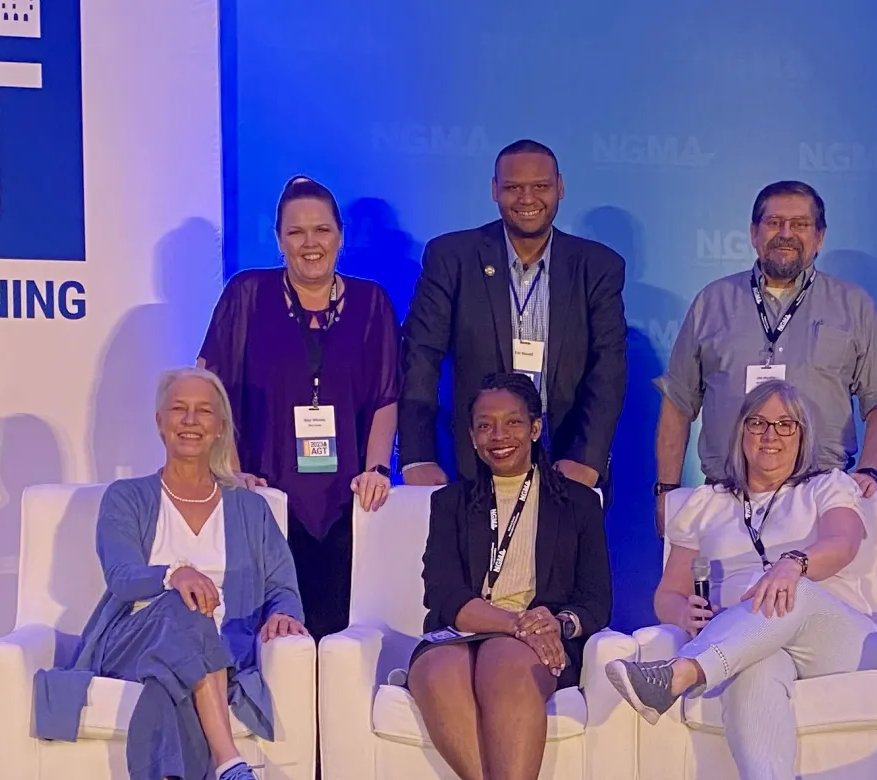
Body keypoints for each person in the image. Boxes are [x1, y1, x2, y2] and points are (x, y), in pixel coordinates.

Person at [33, 368, 310, 780]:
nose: (190, 421)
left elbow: (282, 585)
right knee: (186, 608)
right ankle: (230, 761)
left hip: (217, 651)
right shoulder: (127, 497)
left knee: (165, 687)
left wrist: (283, 612)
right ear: (160, 422)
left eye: (203, 411)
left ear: (219, 427)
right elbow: (122, 577)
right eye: (178, 409)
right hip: (131, 641)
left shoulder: (250, 508)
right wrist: (174, 574)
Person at [607, 379, 877, 780]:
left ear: (802, 435)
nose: (770, 435)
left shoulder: (825, 486)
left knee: (791, 589)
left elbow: (844, 542)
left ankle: (681, 673)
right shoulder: (706, 503)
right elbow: (668, 593)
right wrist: (684, 613)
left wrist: (793, 564)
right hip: (752, 643)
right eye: (758, 423)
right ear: (741, 432)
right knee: (755, 669)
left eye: (785, 424)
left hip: (835, 641)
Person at [198, 176, 401, 639]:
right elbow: (209, 389)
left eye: (322, 230)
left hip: (346, 498)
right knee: (271, 632)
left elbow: (387, 396)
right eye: (296, 232)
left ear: (340, 235)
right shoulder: (246, 294)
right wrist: (230, 471)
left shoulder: (372, 303)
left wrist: (377, 470)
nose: (310, 243)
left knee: (336, 632)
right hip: (263, 492)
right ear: (278, 239)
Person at [655, 181, 877, 533]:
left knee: (807, 589)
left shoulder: (853, 304)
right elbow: (678, 402)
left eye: (800, 225)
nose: (786, 233)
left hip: (820, 497)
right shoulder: (712, 301)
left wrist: (868, 471)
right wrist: (666, 491)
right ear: (754, 233)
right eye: (774, 223)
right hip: (726, 498)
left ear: (820, 237)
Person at [406, 373, 611, 780]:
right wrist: (518, 625)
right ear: (471, 434)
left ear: (535, 428)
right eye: (485, 425)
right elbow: (444, 594)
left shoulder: (579, 503)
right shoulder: (450, 502)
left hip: (541, 637)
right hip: (464, 633)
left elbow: (596, 601)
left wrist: (557, 622)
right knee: (436, 669)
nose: (498, 435)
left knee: (502, 658)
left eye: (513, 422)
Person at [401, 139, 628, 489]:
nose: (527, 199)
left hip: (566, 465)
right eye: (513, 188)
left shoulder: (597, 267)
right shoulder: (452, 257)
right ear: (494, 190)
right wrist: (418, 456)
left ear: (560, 188)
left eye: (540, 186)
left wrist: (588, 458)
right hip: (470, 468)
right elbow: (420, 357)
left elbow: (608, 369)